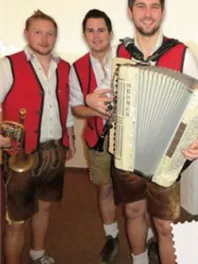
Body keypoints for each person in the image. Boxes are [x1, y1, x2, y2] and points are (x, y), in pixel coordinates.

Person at [85, 1, 198, 263]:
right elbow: (107, 89)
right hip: (127, 153)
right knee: (133, 212)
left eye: (154, 6)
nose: (147, 14)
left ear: (162, 12)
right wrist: (92, 99)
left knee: (165, 226)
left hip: (167, 155)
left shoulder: (182, 53)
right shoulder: (120, 51)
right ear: (131, 12)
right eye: (141, 6)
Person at [0, 10, 75, 264]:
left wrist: (70, 137)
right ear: (26, 33)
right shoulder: (8, 64)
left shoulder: (64, 67)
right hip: (20, 155)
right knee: (16, 220)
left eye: (50, 33)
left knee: (44, 207)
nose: (44, 39)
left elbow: (65, 106)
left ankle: (38, 253)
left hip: (54, 151)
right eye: (38, 32)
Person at [69, 9, 120, 263]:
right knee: (105, 189)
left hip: (129, 141)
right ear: (84, 34)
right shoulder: (76, 67)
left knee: (138, 193)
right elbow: (77, 108)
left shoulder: (126, 58)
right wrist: (95, 109)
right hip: (96, 139)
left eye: (101, 30)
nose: (96, 35)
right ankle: (111, 236)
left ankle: (150, 238)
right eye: (90, 30)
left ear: (110, 33)